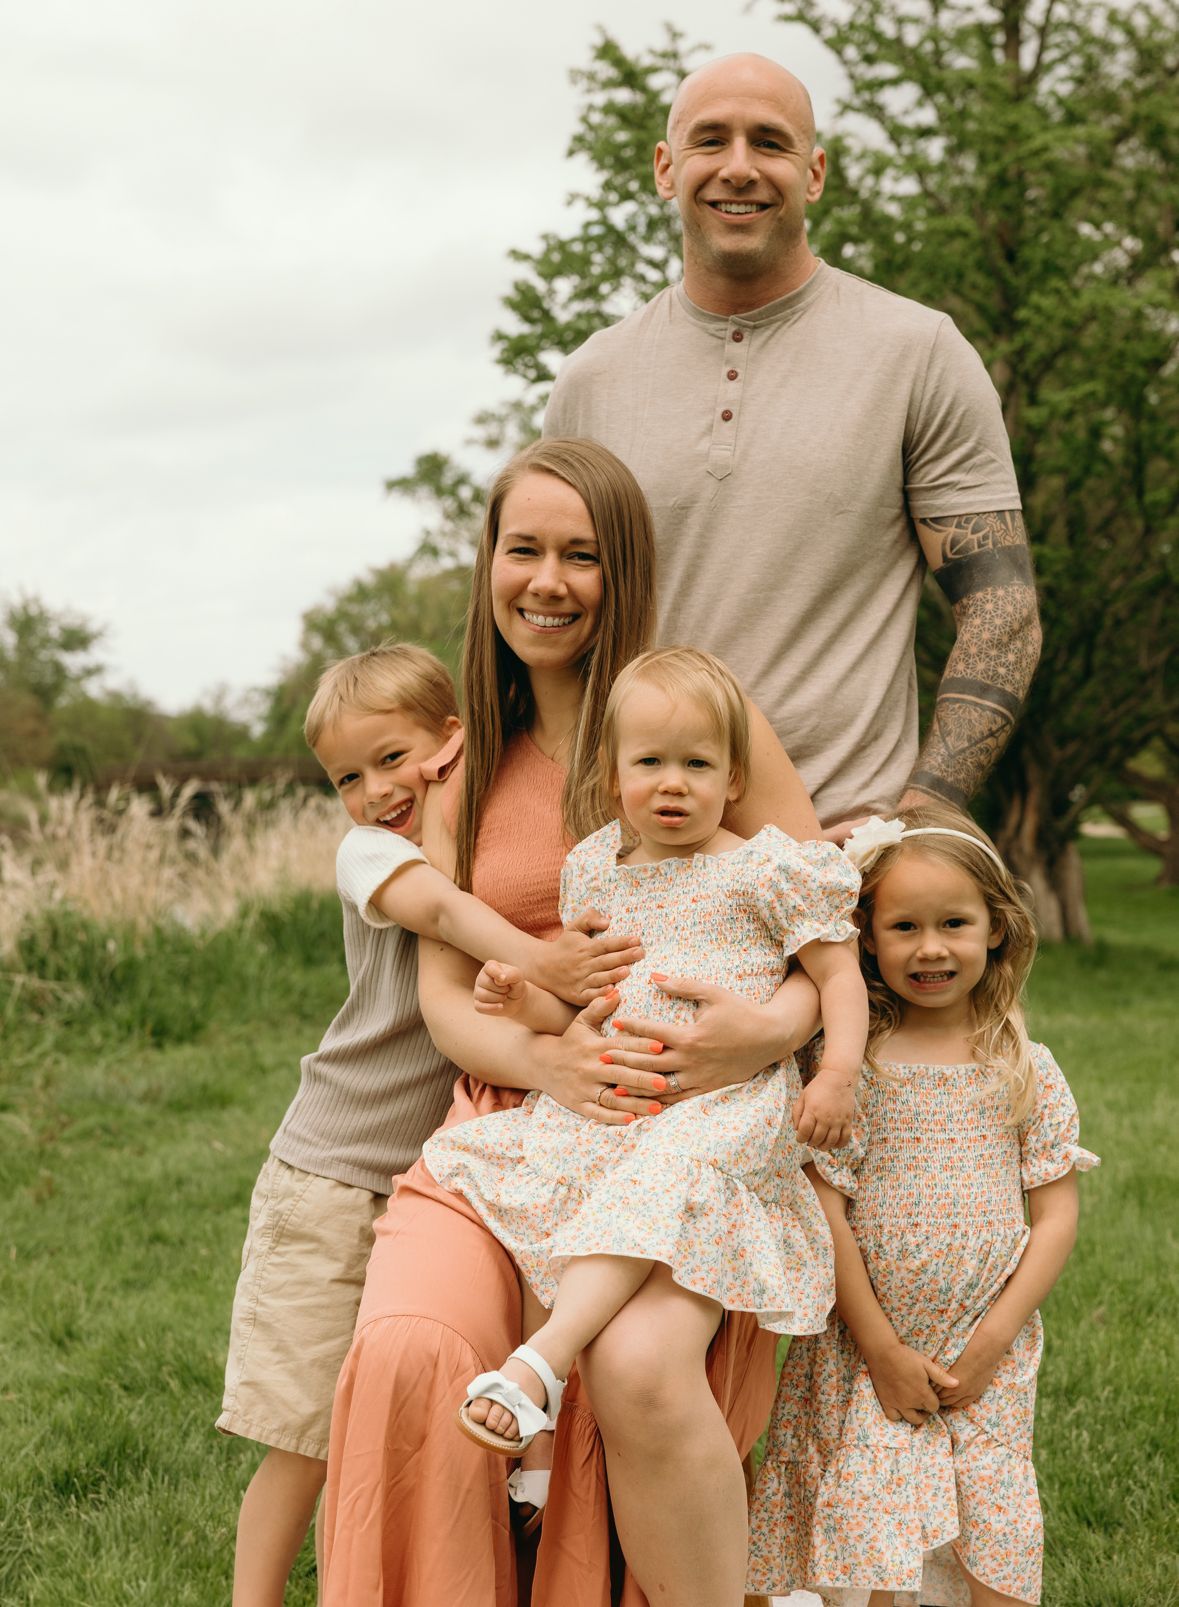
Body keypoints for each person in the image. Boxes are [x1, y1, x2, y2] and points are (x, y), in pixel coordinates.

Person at [320, 440, 827, 1607]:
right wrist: (551, 1056)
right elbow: (447, 1000)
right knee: (407, 1345)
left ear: (624, 570)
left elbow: (818, 924)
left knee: (634, 1363)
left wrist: (771, 1028)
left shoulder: (696, 716)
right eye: (524, 549)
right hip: (509, 1118)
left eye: (582, 555)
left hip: (686, 1122)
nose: (548, 579)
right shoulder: (459, 761)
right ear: (488, 563)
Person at [421, 647, 865, 1607]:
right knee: (551, 1182)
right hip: (623, 1109)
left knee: (659, 1173)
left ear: (734, 779)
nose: (673, 785)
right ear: (611, 777)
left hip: (721, 1110)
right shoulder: (595, 873)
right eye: (650, 764)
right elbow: (578, 1006)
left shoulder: (768, 868)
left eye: (698, 766)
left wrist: (832, 1070)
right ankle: (538, 1443)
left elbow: (839, 979)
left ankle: (540, 1364)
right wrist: (522, 988)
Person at [543, 52, 1042, 831]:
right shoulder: (591, 380)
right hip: (647, 871)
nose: (738, 168)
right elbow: (553, 628)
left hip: (847, 860)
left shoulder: (918, 352)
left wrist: (923, 813)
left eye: (769, 143)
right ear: (663, 168)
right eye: (710, 141)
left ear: (812, 174)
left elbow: (1001, 609)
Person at [219, 642, 620, 1607]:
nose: (371, 791)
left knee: (388, 1401)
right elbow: (440, 908)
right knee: (307, 1429)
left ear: (452, 743)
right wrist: (544, 961)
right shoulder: (375, 855)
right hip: (331, 1168)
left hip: (425, 1174)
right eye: (346, 777)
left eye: (392, 759)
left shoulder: (471, 822)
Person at [747, 803, 1098, 1606]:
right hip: (865, 1348)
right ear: (866, 936)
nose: (930, 947)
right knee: (873, 1544)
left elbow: (1055, 1217)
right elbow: (824, 1210)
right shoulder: (850, 1066)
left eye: (953, 923)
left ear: (995, 929)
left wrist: (992, 1341)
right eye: (903, 925)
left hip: (987, 1350)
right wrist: (877, 1345)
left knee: (994, 1525)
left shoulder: (1025, 1066)